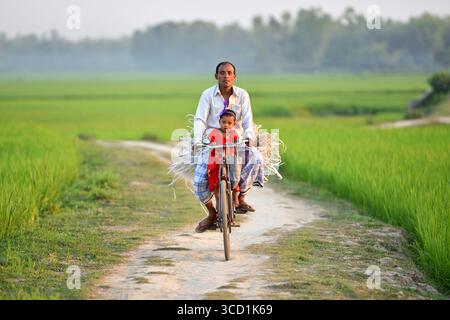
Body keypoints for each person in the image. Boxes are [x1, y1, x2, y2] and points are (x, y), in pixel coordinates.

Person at [193, 61, 264, 233]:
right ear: (216, 76)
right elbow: (200, 119)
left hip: (235, 141)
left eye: (229, 73)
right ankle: (211, 214)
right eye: (222, 73)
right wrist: (198, 139)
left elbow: (247, 121)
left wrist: (248, 137)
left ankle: (240, 197)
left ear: (234, 76)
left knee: (256, 157)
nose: (226, 76)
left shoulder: (242, 95)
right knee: (198, 181)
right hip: (213, 142)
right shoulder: (207, 95)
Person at [207, 109, 240, 210]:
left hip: (229, 157)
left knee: (235, 172)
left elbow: (238, 141)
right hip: (216, 158)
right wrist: (207, 142)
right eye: (224, 122)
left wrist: (240, 142)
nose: (226, 125)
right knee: (213, 176)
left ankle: (235, 193)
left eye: (229, 123)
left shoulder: (233, 133)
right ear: (219, 122)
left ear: (234, 124)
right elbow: (209, 140)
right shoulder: (215, 132)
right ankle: (219, 201)